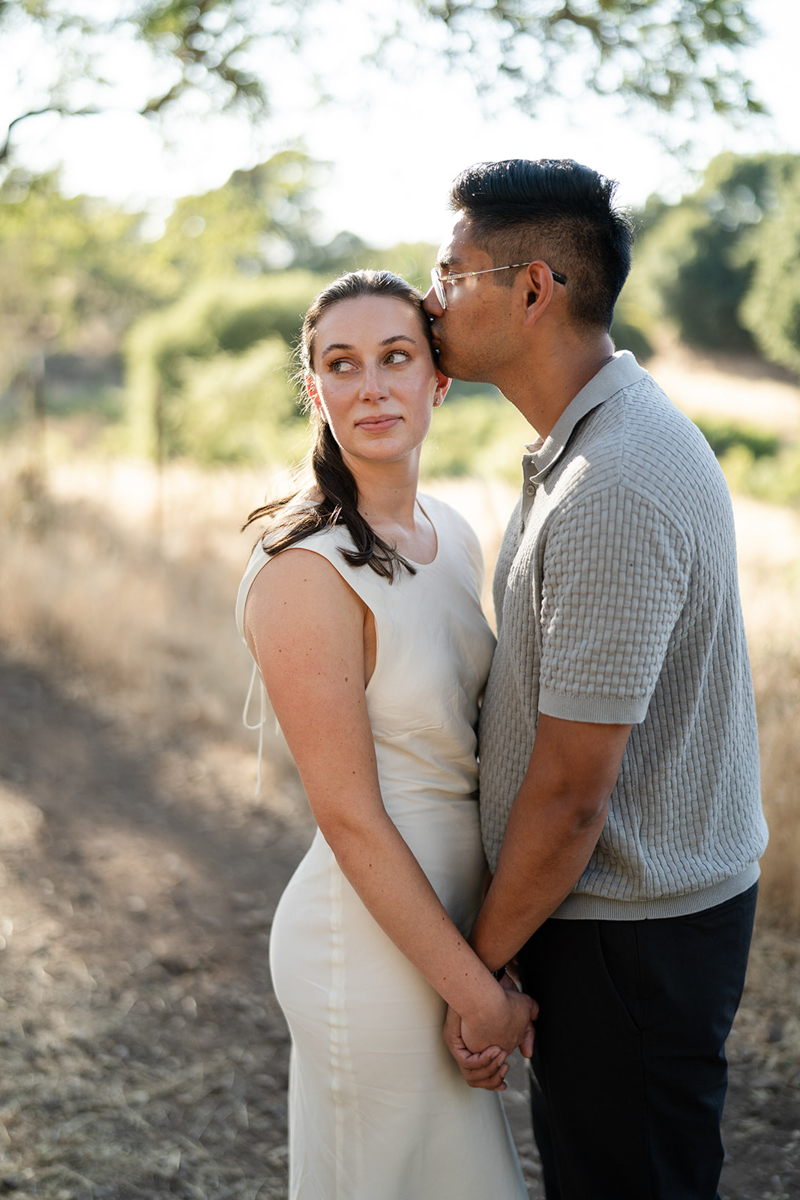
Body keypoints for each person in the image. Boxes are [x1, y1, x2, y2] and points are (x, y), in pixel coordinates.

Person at [423, 159, 769, 1200]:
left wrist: (479, 969)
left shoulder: (610, 483)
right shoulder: (588, 445)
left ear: (531, 289)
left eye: (449, 276)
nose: (429, 300)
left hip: (632, 943)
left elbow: (574, 795)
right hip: (614, 926)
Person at [235, 269, 536, 1200]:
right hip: (363, 947)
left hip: (453, 939)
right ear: (315, 389)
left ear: (437, 381)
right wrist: (478, 994)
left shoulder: (453, 532)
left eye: (396, 358)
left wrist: (486, 960)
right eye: (342, 364)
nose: (371, 386)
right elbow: (351, 817)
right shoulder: (305, 572)